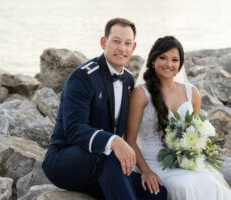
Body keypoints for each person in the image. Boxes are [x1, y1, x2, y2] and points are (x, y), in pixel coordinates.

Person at [42, 18, 167, 200]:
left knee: (155, 193)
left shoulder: (128, 81)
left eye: (127, 43)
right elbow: (74, 129)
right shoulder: (82, 77)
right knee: (108, 153)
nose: (122, 48)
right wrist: (114, 141)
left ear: (133, 48)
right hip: (65, 161)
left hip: (103, 166)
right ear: (103, 42)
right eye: (116, 41)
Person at [125, 36, 231, 200]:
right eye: (163, 58)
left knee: (208, 181)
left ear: (180, 65)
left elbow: (196, 131)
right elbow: (130, 140)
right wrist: (146, 171)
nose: (169, 64)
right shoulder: (141, 94)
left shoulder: (192, 92)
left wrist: (193, 152)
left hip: (184, 161)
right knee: (184, 186)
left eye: (174, 60)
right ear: (153, 60)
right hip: (152, 160)